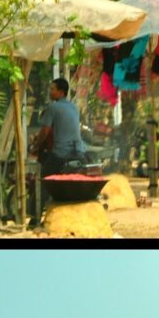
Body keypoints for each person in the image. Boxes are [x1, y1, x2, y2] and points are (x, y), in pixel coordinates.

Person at [28, 76, 102, 220]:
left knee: (44, 183)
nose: (50, 92)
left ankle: (34, 218)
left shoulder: (52, 108)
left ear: (61, 92)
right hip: (78, 153)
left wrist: (36, 145)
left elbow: (45, 131)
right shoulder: (74, 108)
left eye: (52, 89)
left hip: (59, 154)